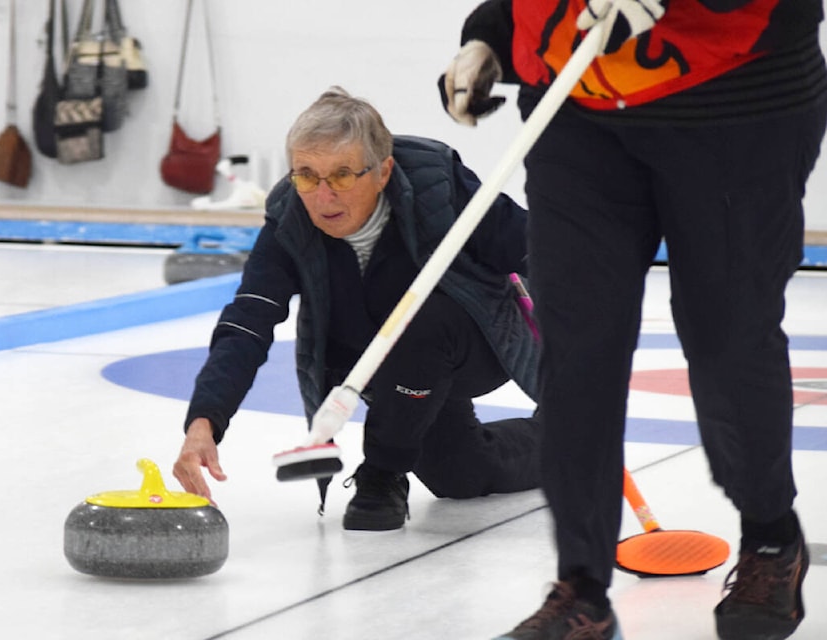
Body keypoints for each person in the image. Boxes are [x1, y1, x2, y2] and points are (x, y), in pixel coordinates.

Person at [441, 1, 826, 639]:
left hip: (734, 99)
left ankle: (769, 537)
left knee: (727, 336)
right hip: (576, 107)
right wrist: (493, 32)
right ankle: (582, 588)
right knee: (575, 347)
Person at [173, 86, 542, 532]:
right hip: (380, 368)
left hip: (469, 343)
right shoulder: (290, 216)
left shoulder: (437, 182)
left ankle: (382, 473)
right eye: (307, 175)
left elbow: (536, 252)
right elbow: (248, 321)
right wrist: (205, 420)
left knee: (424, 324)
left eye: (343, 175)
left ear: (383, 171)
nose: (323, 196)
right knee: (460, 475)